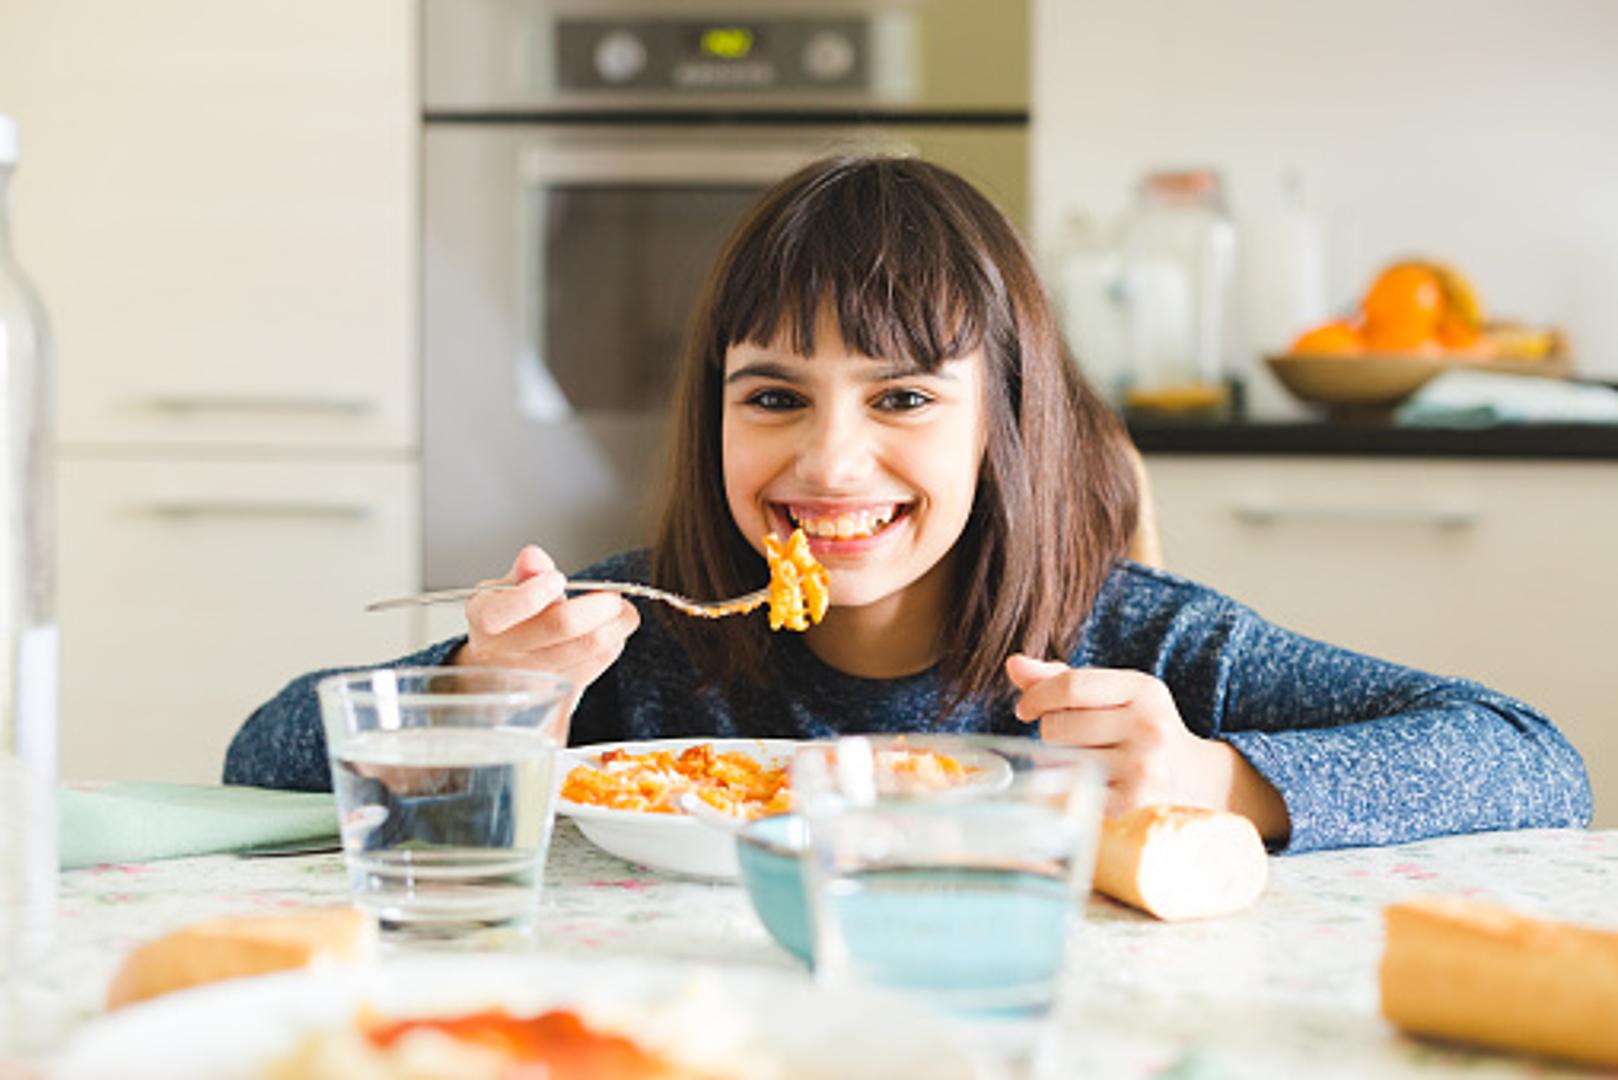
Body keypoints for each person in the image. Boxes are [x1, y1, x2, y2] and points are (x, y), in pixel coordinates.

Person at [225, 154, 1591, 852]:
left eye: (901, 399)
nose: (827, 464)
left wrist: (1209, 779)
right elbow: (263, 756)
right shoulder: (634, 650)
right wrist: (483, 693)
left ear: (1003, 422)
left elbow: (1535, 762)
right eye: (771, 398)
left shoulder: (1138, 646)